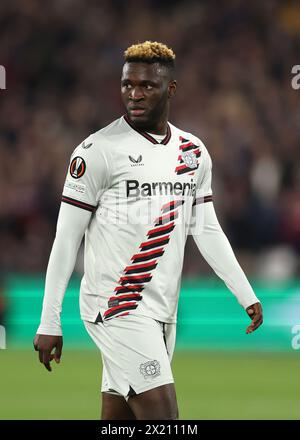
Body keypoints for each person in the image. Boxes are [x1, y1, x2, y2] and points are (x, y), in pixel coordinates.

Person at [33, 41, 263, 420]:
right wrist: (49, 319)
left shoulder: (193, 152)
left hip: (162, 309)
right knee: (164, 418)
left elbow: (205, 229)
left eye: (146, 86)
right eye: (127, 85)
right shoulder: (97, 151)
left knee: (119, 417)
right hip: (116, 306)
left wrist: (245, 293)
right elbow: (66, 239)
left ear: (169, 89)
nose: (134, 95)